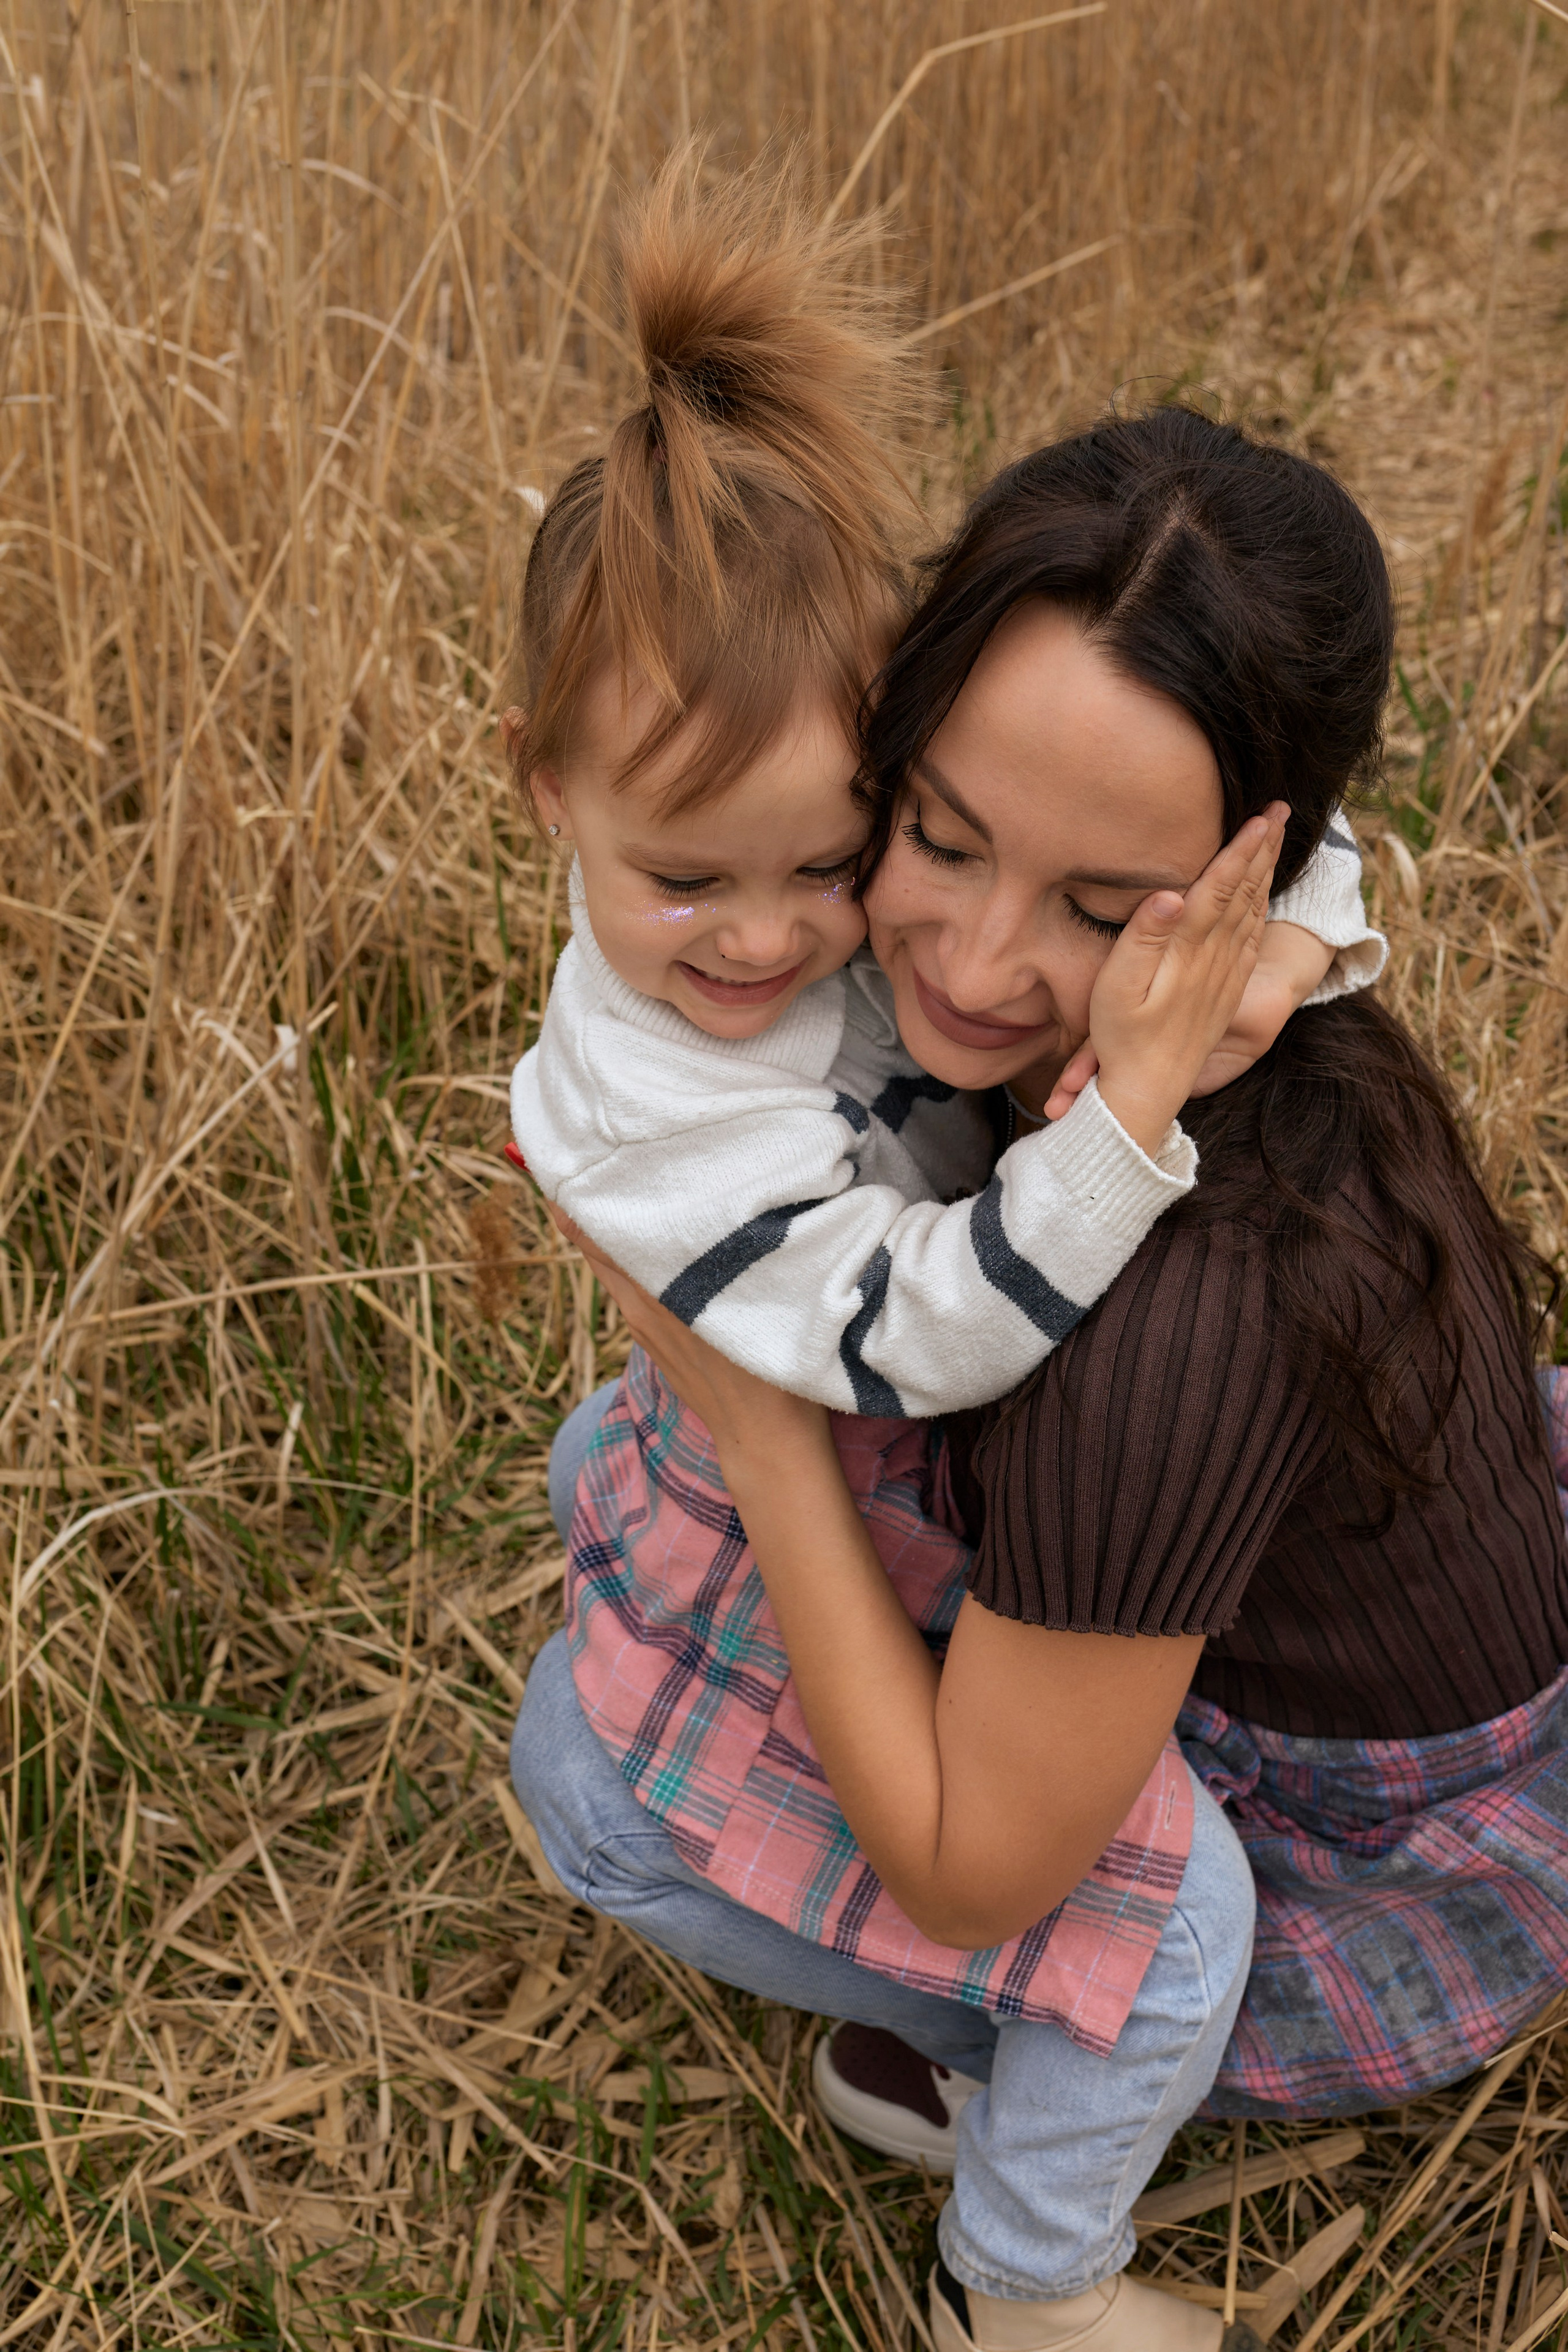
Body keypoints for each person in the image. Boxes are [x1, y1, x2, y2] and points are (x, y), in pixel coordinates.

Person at [514, 401, 1568, 2352]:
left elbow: (980, 1866)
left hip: (1342, 1825)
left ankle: (1022, 2266)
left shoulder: (1176, 1302)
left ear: (1246, 882)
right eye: (932, 833)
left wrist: (761, 1435)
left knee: (582, 1769)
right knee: (622, 1464)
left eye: (1101, 911)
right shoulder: (1194, 997)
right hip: (1249, 1588)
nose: (980, 964)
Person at [502, 154, 1381, 1420]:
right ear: (541, 785)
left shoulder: (828, 834)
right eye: (685, 880)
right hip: (779, 1521)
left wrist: (1277, 949)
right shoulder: (647, 1100)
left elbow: (1244, 805)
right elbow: (900, 1333)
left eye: (828, 861)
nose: (763, 937)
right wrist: (1122, 1116)